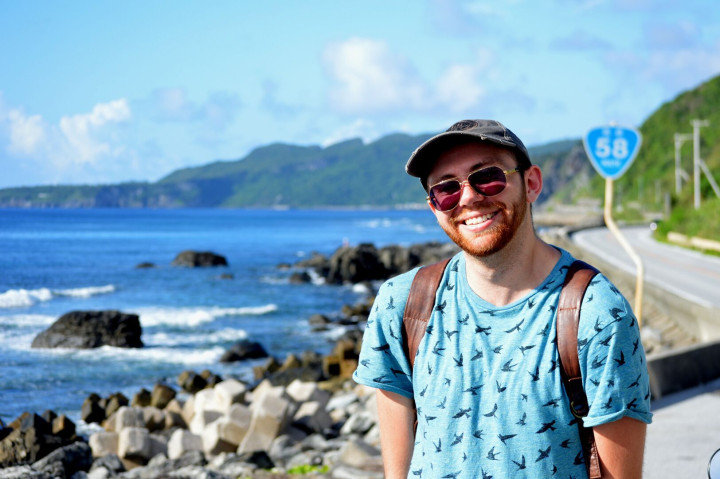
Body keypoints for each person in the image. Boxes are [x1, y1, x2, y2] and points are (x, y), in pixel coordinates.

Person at [353, 119, 652, 478]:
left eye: (488, 177)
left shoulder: (597, 315)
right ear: (434, 207)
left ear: (531, 183)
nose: (468, 198)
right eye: (446, 189)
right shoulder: (402, 306)